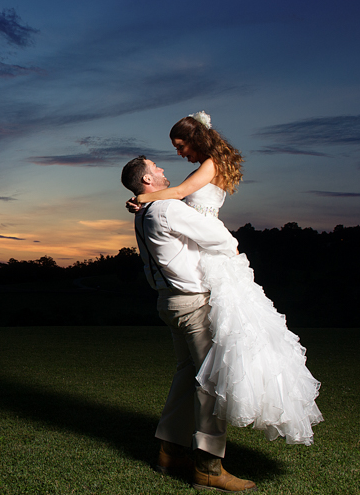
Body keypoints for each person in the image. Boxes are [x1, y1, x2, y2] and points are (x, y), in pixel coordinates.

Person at [129, 112, 323, 449]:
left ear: (197, 139)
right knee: (206, 373)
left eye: (180, 145)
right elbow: (182, 201)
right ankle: (201, 459)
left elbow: (182, 192)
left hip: (199, 269)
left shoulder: (202, 171)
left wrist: (144, 198)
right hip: (196, 276)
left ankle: (175, 448)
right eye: (172, 151)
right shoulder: (171, 203)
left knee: (198, 369)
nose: (174, 156)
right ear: (147, 178)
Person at [121, 154, 256, 492]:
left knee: (186, 375)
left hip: (168, 302)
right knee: (210, 380)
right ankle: (209, 467)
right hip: (192, 304)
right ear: (147, 182)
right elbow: (221, 239)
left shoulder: (144, 213)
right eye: (156, 168)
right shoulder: (167, 208)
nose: (163, 170)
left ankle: (169, 452)